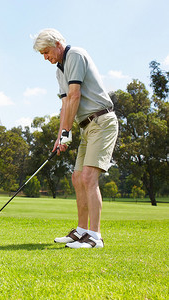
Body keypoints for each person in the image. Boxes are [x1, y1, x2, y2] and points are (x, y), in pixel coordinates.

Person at [33, 28, 118, 248]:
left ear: (58, 44)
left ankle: (95, 237)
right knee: (77, 177)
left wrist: (66, 132)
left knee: (89, 178)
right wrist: (60, 135)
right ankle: (81, 231)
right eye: (42, 54)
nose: (45, 57)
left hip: (102, 121)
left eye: (46, 51)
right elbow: (65, 104)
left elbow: (75, 95)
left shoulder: (76, 55)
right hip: (86, 126)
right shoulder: (59, 71)